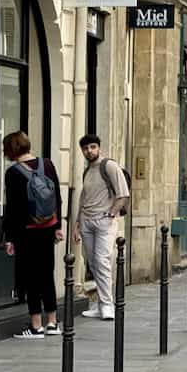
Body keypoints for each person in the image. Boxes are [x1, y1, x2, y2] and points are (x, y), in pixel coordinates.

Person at [1, 131, 63, 339]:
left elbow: (13, 208)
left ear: (10, 150)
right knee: (47, 275)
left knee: (31, 278)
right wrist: (57, 226)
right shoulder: (48, 164)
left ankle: (36, 326)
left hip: (26, 231)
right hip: (48, 228)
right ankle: (52, 322)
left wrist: (9, 237)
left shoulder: (13, 172)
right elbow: (57, 197)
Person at [73, 134, 128, 321]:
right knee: (93, 263)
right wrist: (77, 223)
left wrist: (111, 214)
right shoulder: (87, 171)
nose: (89, 151)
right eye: (85, 148)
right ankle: (100, 304)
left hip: (104, 221)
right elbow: (83, 198)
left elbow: (123, 194)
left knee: (102, 261)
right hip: (87, 221)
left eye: (92, 147)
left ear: (99, 147)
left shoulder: (109, 166)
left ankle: (107, 305)